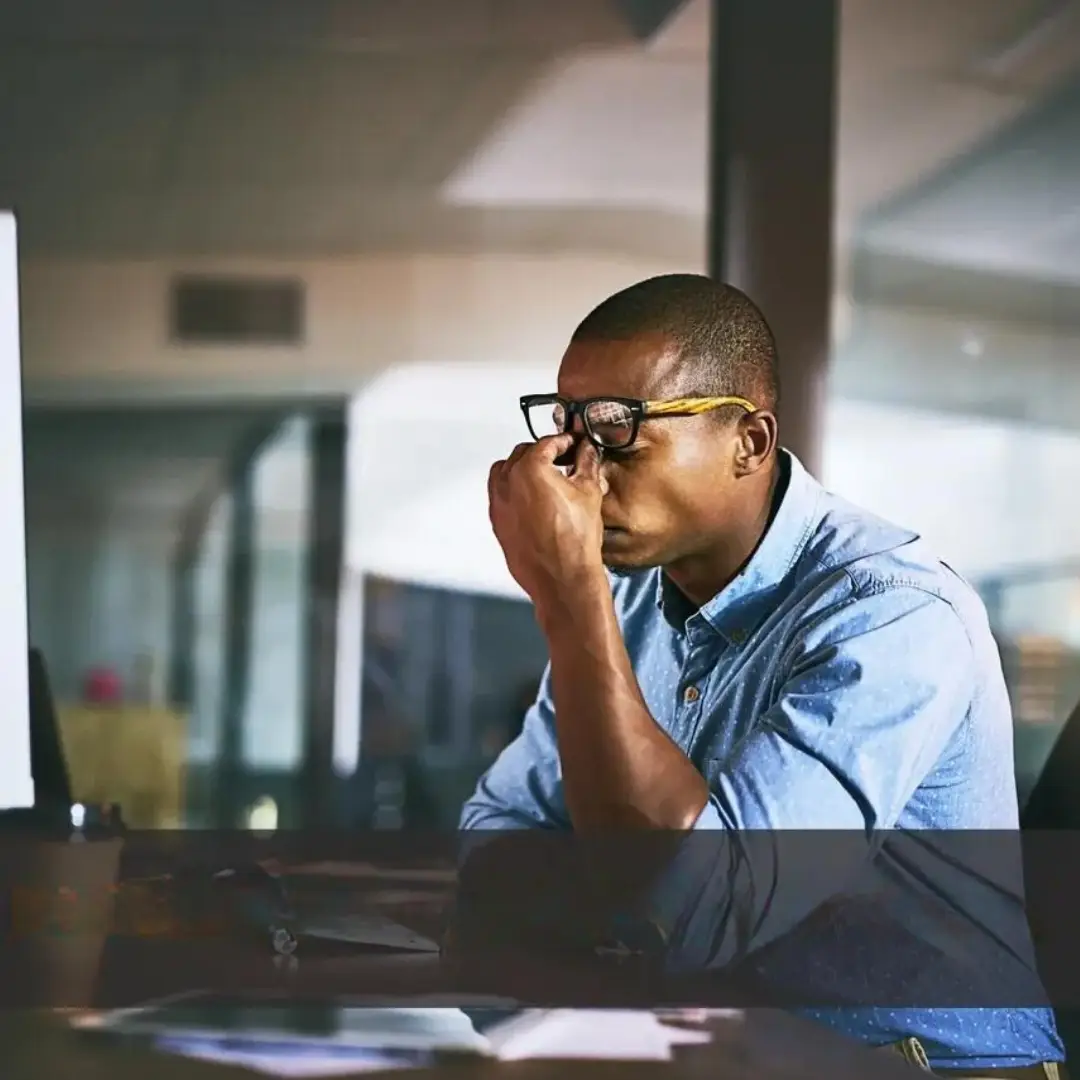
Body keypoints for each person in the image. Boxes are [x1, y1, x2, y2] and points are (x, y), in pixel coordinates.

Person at [459, 274, 1065, 1076]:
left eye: (618, 431)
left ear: (748, 441)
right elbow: (498, 832)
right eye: (566, 431)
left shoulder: (896, 615)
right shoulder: (632, 601)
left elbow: (698, 907)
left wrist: (568, 595)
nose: (579, 475)